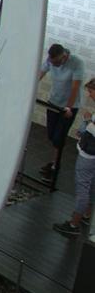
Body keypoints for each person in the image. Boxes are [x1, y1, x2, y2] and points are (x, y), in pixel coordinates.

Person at [53, 78, 95, 236]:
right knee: (91, 185)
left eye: (91, 92)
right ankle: (86, 214)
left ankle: (73, 224)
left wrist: (88, 121)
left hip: (88, 155)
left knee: (82, 187)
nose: (90, 96)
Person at [38, 43, 85, 179]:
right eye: (53, 62)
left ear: (64, 56)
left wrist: (68, 107)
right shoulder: (50, 60)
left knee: (59, 137)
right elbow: (40, 74)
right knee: (52, 135)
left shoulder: (77, 63)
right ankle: (54, 162)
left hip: (69, 106)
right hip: (54, 101)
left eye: (57, 62)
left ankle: (55, 165)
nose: (55, 65)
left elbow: (75, 88)